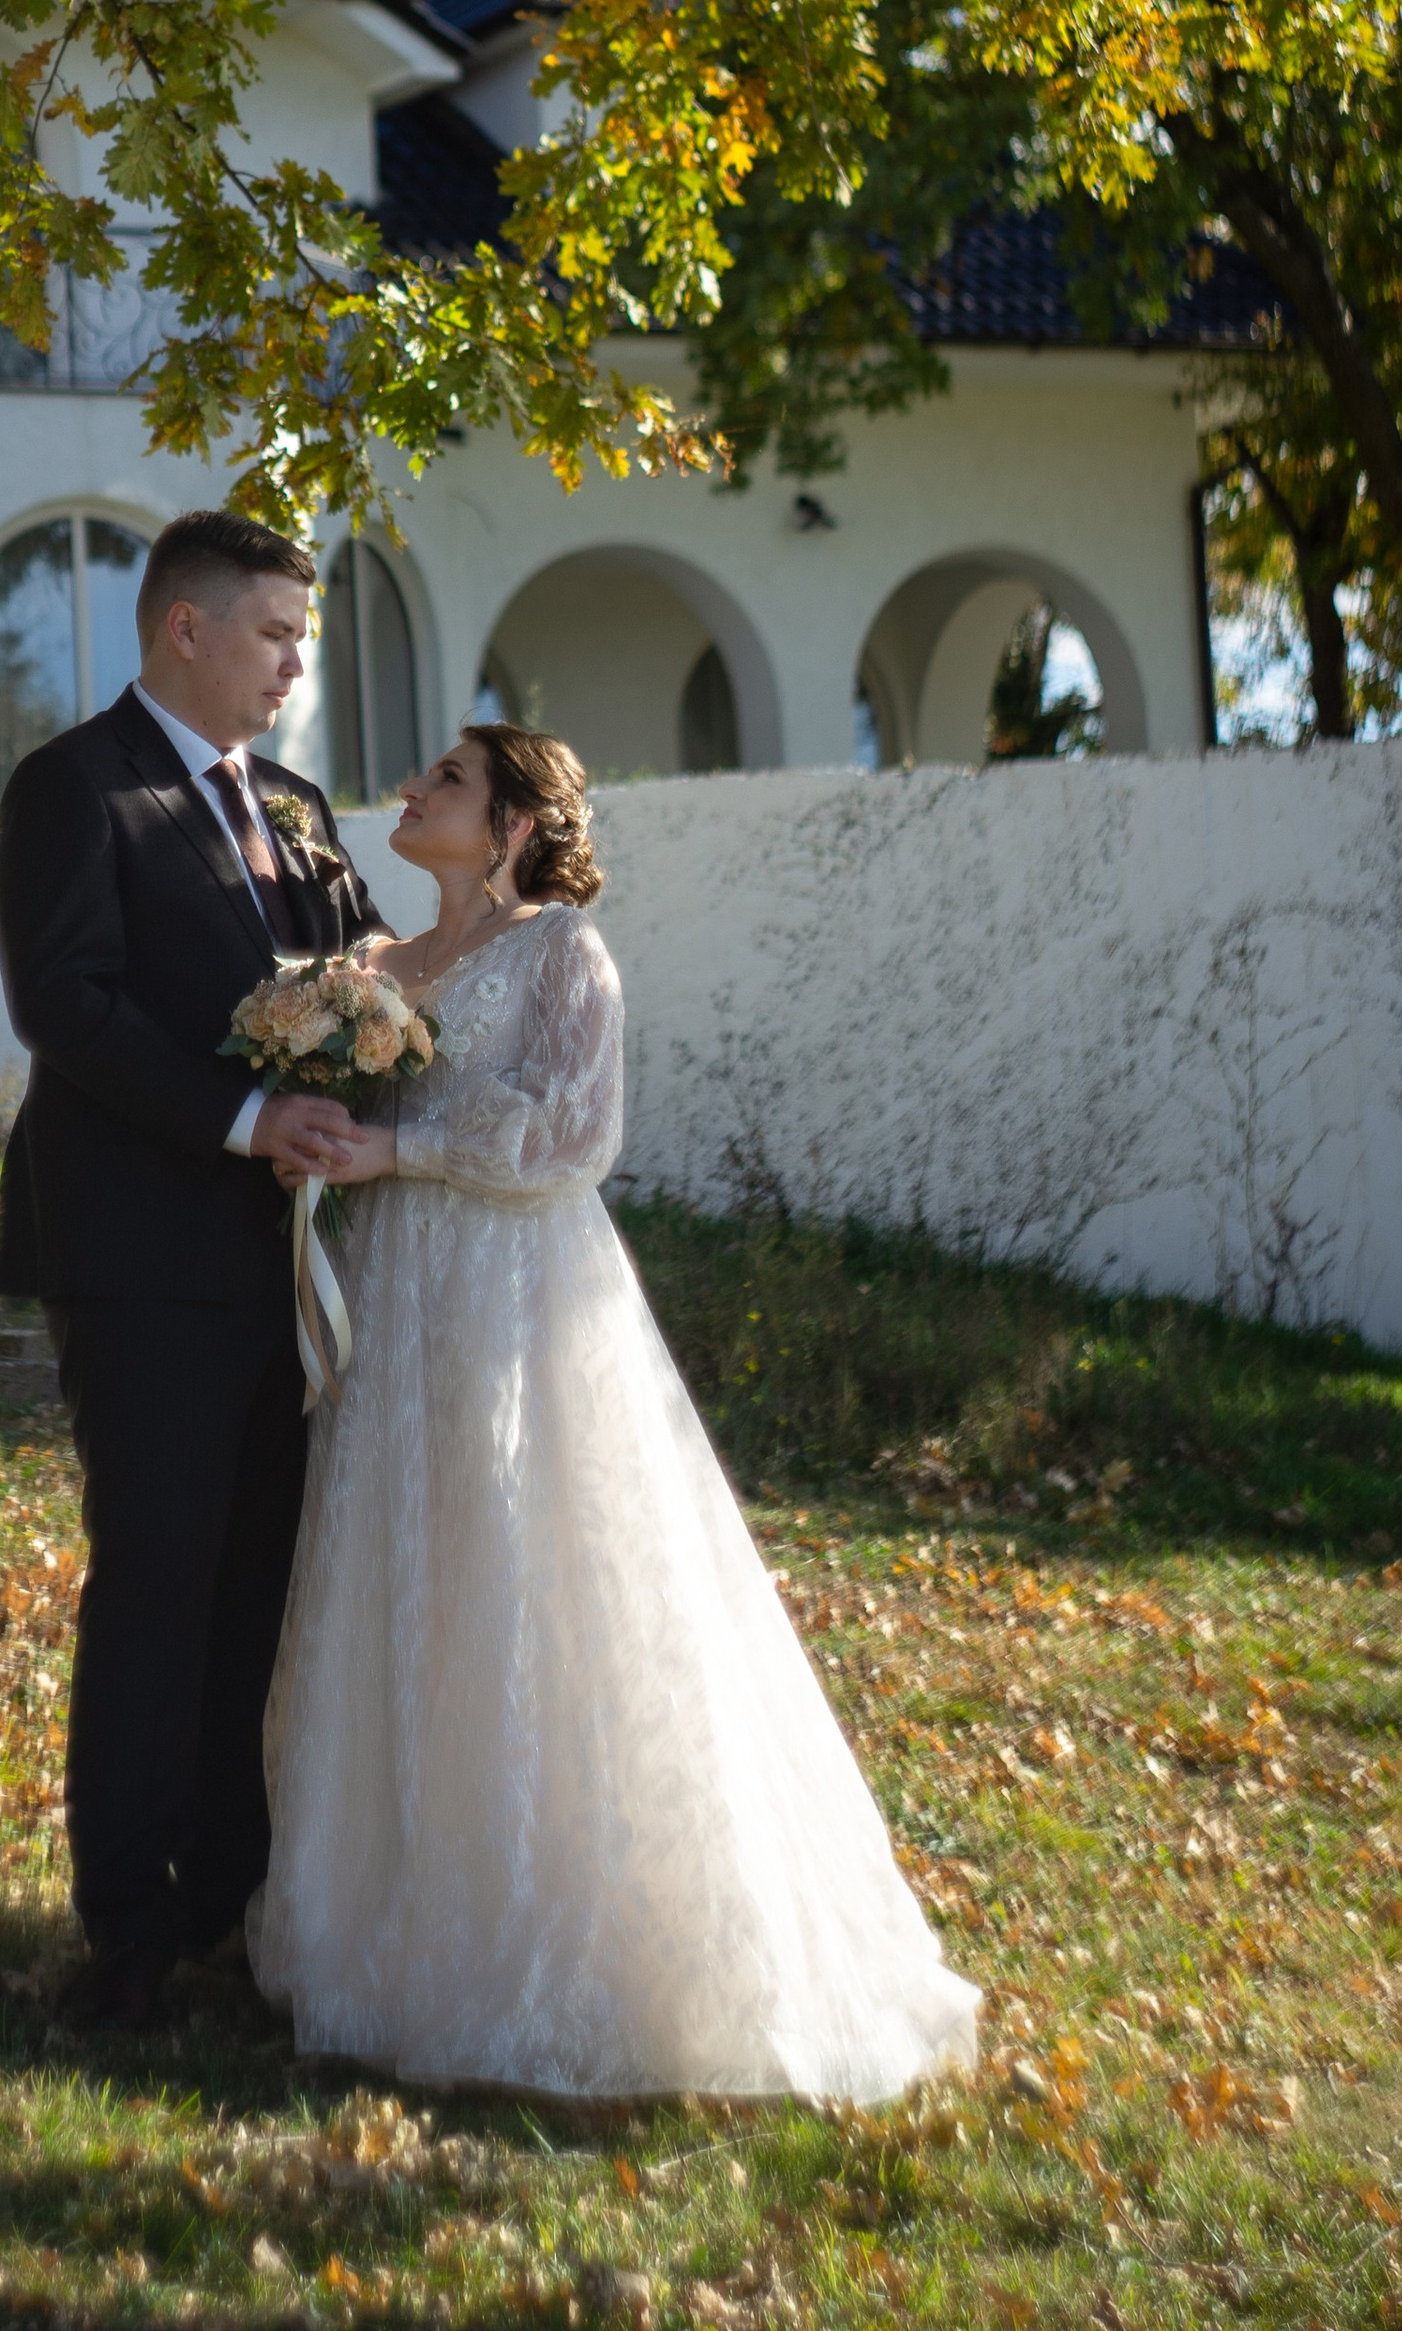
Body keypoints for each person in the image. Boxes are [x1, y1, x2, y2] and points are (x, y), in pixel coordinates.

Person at [252, 720, 981, 2102]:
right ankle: (394, 1937)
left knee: (529, 1574)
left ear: (516, 826)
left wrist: (396, 1147)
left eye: (449, 781)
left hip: (513, 1293)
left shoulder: (561, 952)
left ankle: (570, 1941)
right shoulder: (369, 970)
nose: (412, 792)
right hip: (392, 1299)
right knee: (408, 1572)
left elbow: (581, 1132)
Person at [0, 508, 385, 2026]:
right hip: (141, 1255)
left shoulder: (294, 800)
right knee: (159, 1578)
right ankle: (130, 1925)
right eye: (279, 634)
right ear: (186, 630)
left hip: (288, 1258)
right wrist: (243, 1118)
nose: (297, 664)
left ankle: (236, 1898)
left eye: (306, 639)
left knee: (262, 1589)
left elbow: (355, 976)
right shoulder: (72, 789)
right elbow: (65, 1009)